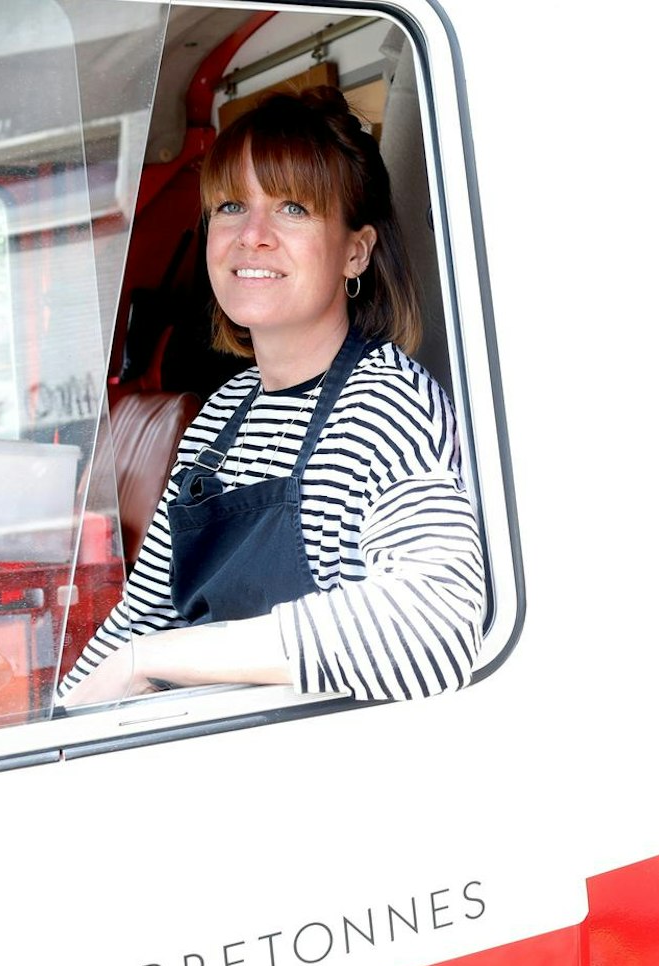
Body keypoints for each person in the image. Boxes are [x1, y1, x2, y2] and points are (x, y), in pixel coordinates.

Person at [57, 88, 484, 707]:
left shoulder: (386, 405)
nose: (251, 235)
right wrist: (58, 725)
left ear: (355, 251)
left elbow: (434, 627)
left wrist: (149, 662)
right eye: (231, 205)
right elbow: (142, 615)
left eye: (292, 208)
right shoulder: (222, 414)